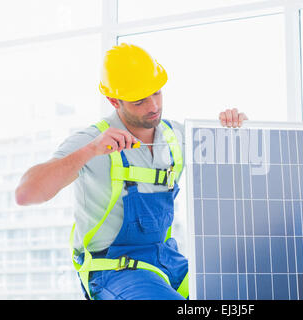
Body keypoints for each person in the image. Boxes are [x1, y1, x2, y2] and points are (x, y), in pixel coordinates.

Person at [15, 43, 248, 300]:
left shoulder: (175, 137)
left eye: (157, 93)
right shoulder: (91, 141)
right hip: (114, 269)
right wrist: (89, 151)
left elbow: (238, 166)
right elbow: (26, 194)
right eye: (139, 101)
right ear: (114, 101)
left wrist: (234, 129)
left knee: (239, 294)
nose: (153, 106)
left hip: (167, 261)